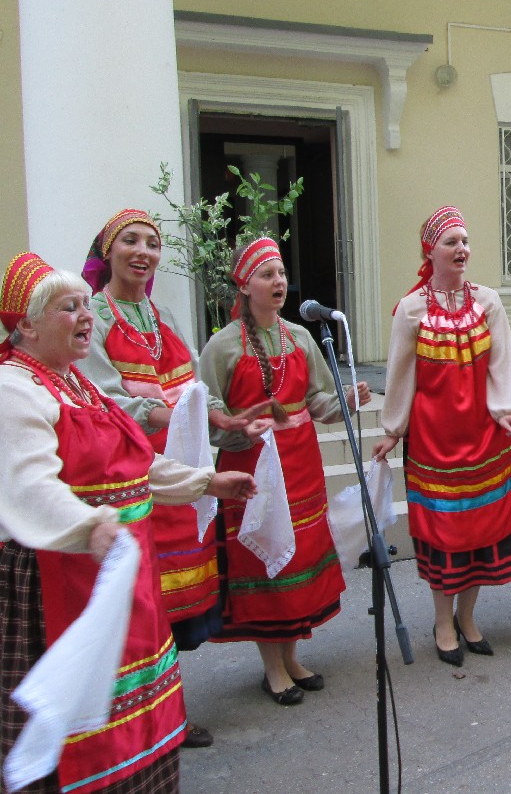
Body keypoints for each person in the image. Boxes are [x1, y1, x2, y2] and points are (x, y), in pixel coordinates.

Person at [0, 252, 255, 794]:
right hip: (61, 577)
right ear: (26, 323)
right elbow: (28, 486)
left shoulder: (79, 385)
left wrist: (206, 482)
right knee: (85, 729)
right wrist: (89, 526)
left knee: (145, 718)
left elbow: (136, 465)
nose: (86, 316)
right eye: (69, 308)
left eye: (84, 305)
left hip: (119, 578)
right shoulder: (14, 389)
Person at [77, 208, 256, 747]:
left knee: (166, 614)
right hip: (127, 480)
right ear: (106, 252)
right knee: (131, 605)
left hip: (175, 481)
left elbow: (196, 393)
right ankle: (120, 724)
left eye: (152, 243)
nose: (143, 251)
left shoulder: (165, 317)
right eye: (129, 241)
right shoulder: (96, 317)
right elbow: (106, 401)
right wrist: (173, 415)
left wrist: (226, 424)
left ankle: (166, 712)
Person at [373, 207, 511, 666]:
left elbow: (501, 364)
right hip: (433, 442)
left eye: (465, 241)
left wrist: (507, 411)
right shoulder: (411, 309)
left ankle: (468, 618)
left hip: (483, 435)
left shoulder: (487, 302)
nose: (461, 249)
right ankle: (442, 621)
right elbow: (401, 375)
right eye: (451, 242)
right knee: (444, 534)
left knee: (479, 530)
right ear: (430, 251)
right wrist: (393, 430)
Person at [199, 237, 369, 704]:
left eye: (280, 274)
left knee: (296, 558)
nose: (278, 282)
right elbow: (208, 407)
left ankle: (292, 656)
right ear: (245, 284)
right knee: (264, 559)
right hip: (251, 468)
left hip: (301, 466)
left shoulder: (300, 335)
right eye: (267, 275)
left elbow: (316, 401)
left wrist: (346, 402)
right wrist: (239, 428)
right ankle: (272, 667)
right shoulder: (222, 345)